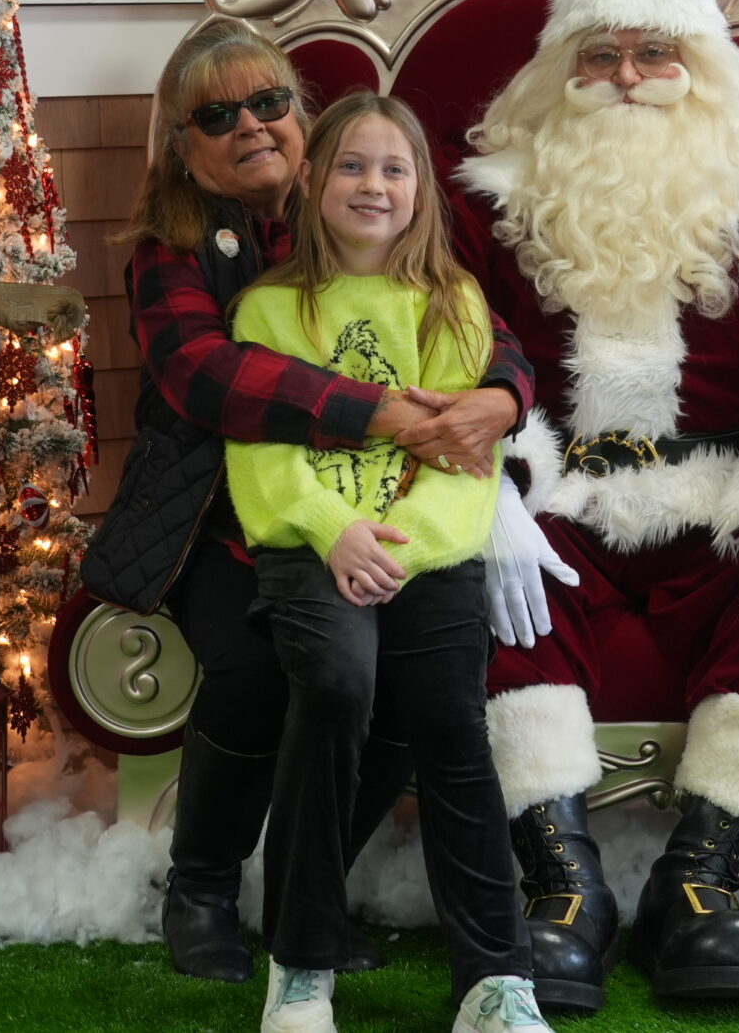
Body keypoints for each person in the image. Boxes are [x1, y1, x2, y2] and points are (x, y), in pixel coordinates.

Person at [458, 0, 739, 1011]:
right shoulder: (491, 207)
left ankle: (698, 883)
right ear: (558, 71)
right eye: (599, 54)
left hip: (724, 498)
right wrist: (490, 494)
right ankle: (562, 887)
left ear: (702, 69)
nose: (625, 76)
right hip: (559, 497)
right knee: (474, 581)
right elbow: (460, 357)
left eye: (654, 54)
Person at [91, 17, 535, 981]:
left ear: (305, 119)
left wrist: (502, 397)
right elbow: (210, 377)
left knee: (412, 673)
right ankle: (202, 884)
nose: (250, 124)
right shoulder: (172, 249)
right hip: (213, 516)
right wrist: (387, 414)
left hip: (369, 506)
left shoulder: (349, 202)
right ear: (183, 145)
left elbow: (473, 323)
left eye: (269, 101)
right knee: (261, 664)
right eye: (218, 115)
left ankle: (309, 891)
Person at [229, 94, 550, 1033]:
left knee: (449, 713)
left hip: (423, 548)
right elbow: (261, 449)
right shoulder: (268, 308)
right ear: (310, 181)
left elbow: (468, 458)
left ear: (420, 191)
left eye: (394, 169)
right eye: (352, 165)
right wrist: (335, 528)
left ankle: (496, 980)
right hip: (313, 543)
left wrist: (400, 544)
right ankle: (301, 965)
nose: (373, 185)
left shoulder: (453, 306)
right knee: (336, 683)